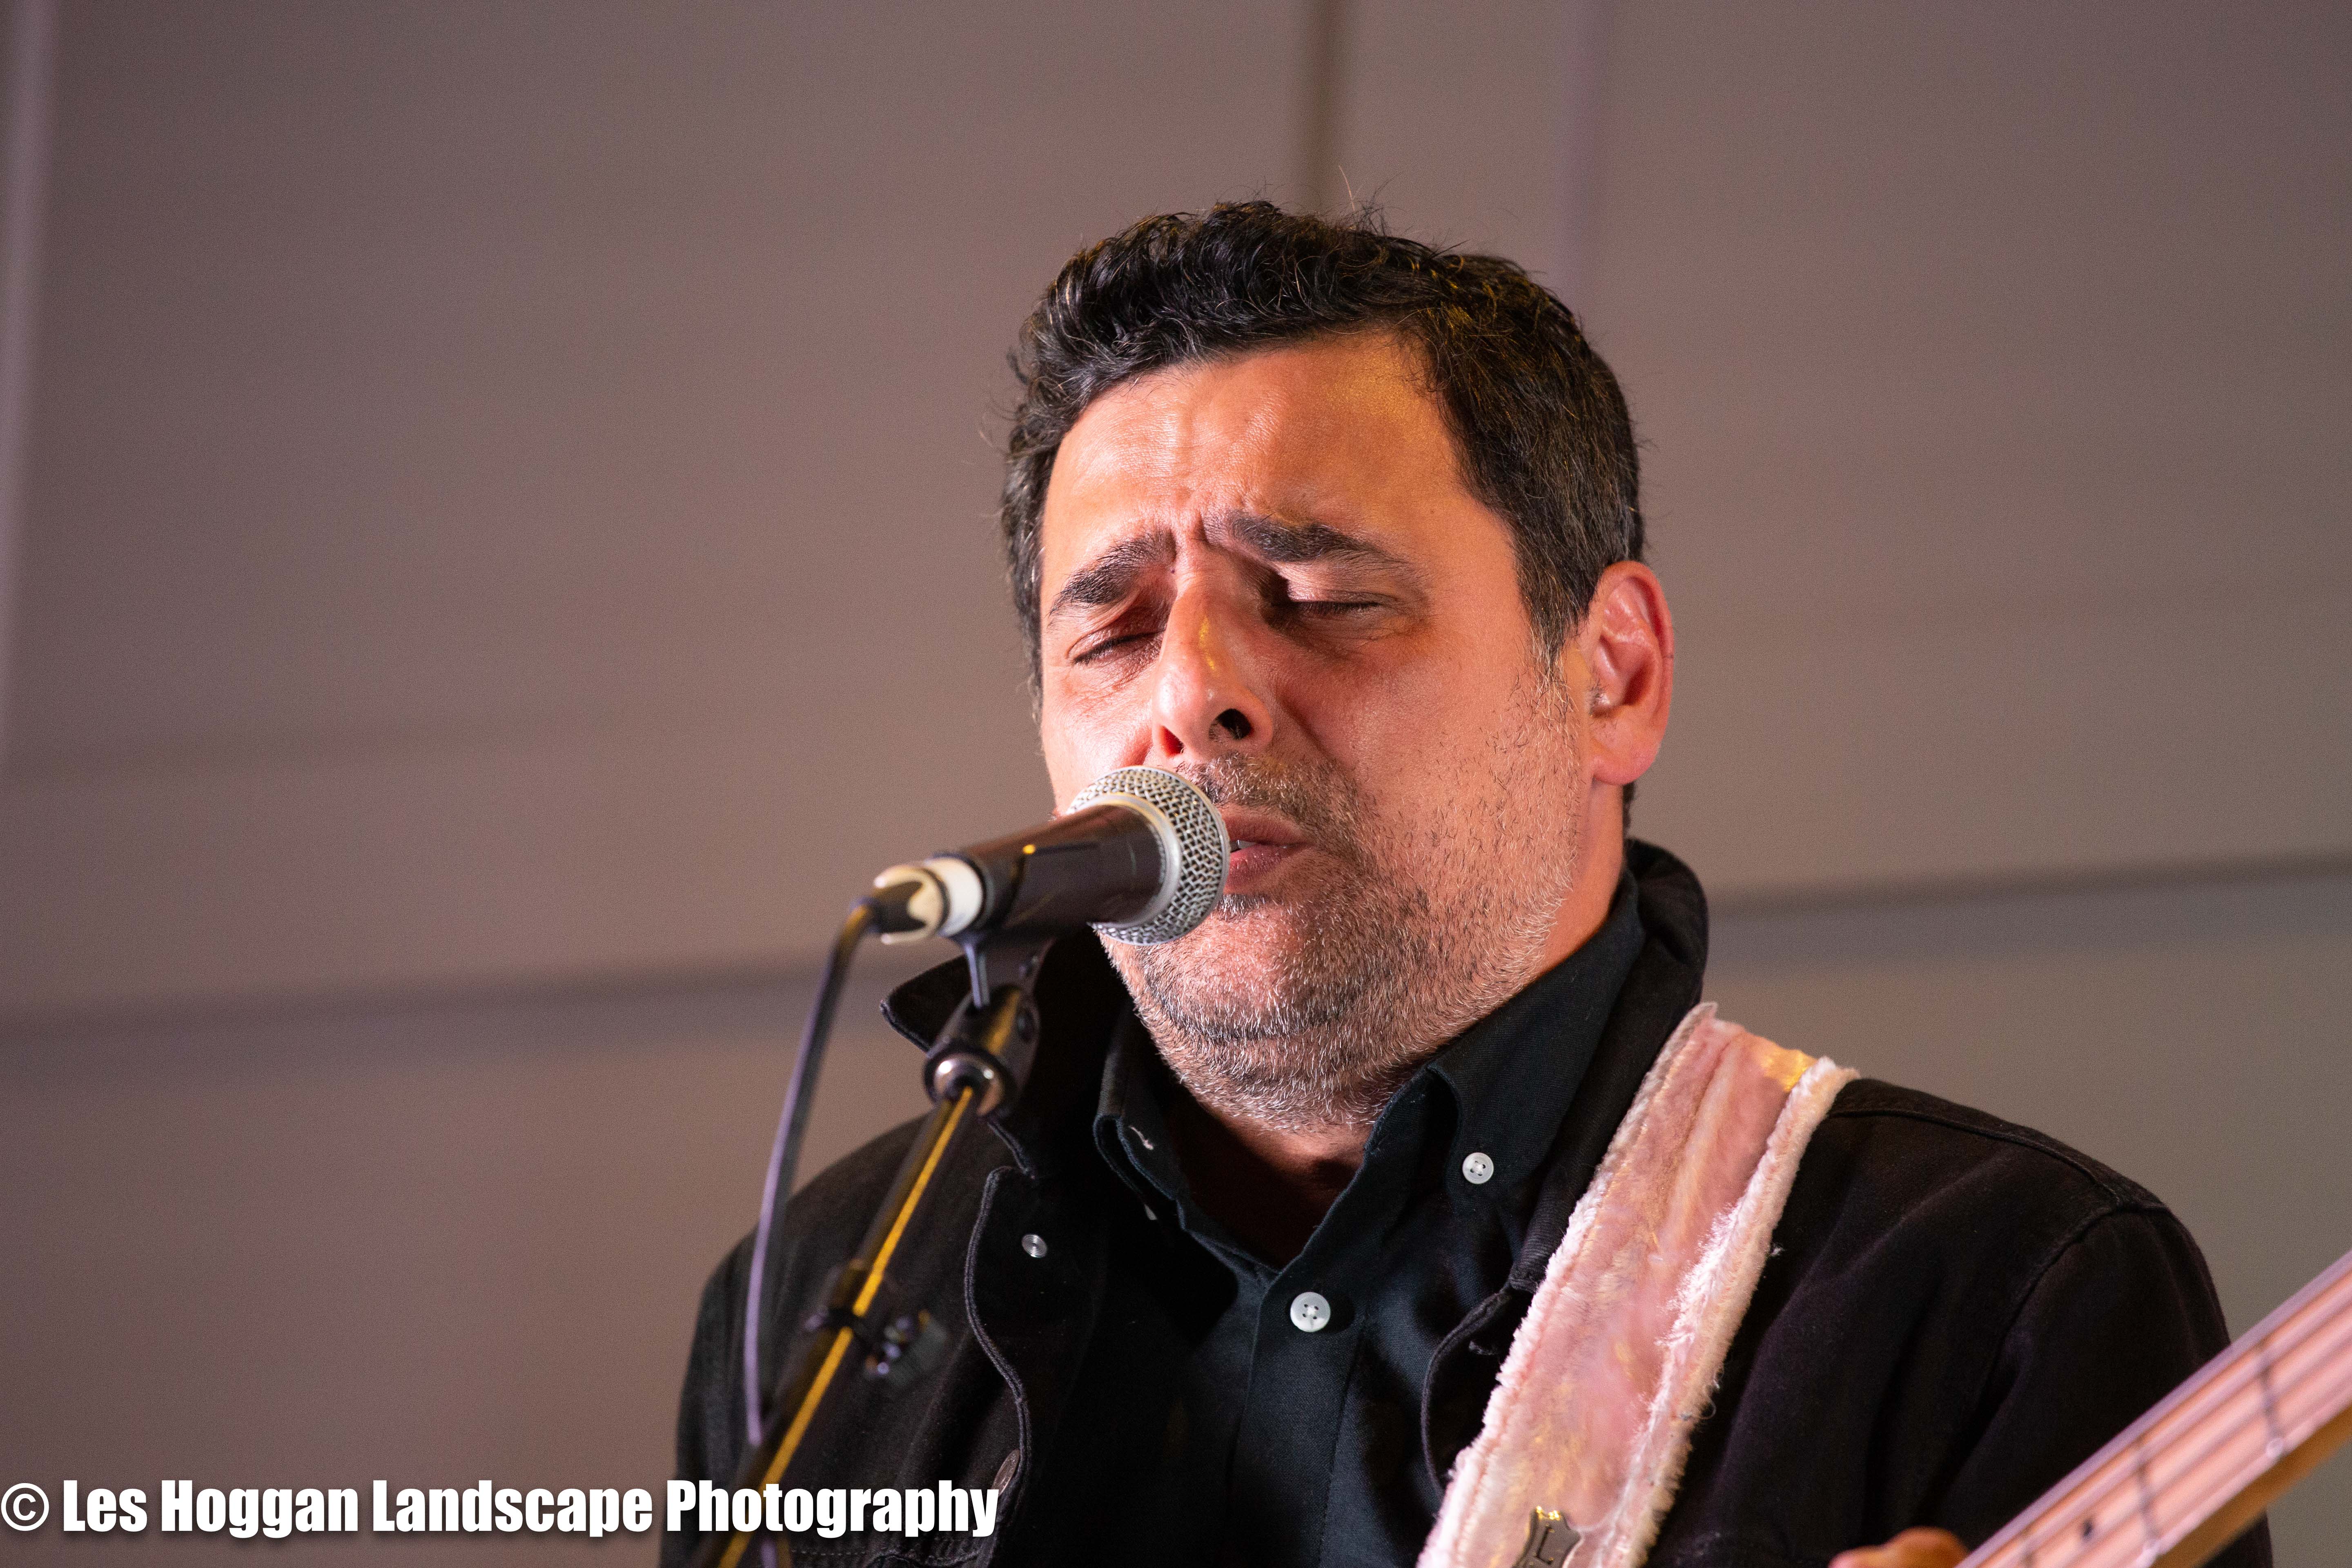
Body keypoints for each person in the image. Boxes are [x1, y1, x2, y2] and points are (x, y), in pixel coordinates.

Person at [663, 203, 2267, 1568]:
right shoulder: (815, 1296)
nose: (1191, 696)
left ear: (1613, 674)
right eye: (1113, 629)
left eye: (1318, 594)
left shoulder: (2003, 1292)